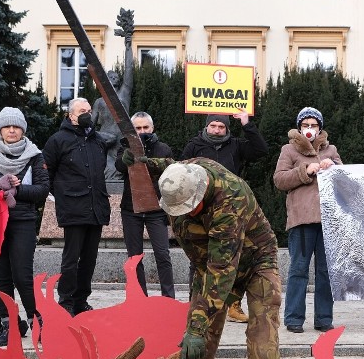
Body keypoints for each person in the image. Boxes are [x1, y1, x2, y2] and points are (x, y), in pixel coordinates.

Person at [144, 156, 281, 359]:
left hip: (255, 262)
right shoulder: (189, 171)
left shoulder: (229, 202)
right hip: (211, 264)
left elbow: (222, 271)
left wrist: (196, 326)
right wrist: (144, 162)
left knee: (261, 330)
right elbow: (171, 164)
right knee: (201, 334)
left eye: (189, 207)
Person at [0, 107, 50, 346]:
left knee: (23, 277)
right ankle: (9, 324)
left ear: (23, 129)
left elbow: (43, 189)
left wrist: (17, 190)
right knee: (2, 278)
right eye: (7, 126)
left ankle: (36, 323)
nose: (12, 130)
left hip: (22, 223)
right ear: (0, 129)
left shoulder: (35, 156)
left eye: (16, 126)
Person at [182, 111, 269, 324]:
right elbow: (182, 173)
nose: (217, 130)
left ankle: (233, 304)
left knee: (235, 255)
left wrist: (247, 124)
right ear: (206, 127)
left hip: (231, 210)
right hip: (201, 210)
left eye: (221, 127)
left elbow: (261, 150)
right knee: (200, 256)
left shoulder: (237, 145)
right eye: (213, 126)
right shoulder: (194, 146)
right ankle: (195, 302)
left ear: (227, 129)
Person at [273, 107, 340, 333]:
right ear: (299, 127)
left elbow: (345, 180)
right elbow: (280, 179)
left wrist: (335, 168)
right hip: (301, 220)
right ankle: (293, 319)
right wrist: (305, 170)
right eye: (305, 125)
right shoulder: (289, 150)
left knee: (325, 272)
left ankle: (323, 319)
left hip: (328, 221)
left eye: (313, 125)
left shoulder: (331, 149)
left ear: (320, 127)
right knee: (298, 270)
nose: (309, 129)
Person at [43, 98, 110, 316]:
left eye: (89, 111)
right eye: (82, 111)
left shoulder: (97, 140)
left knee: (89, 259)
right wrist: (61, 196)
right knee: (71, 259)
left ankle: (81, 300)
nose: (87, 114)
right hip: (73, 207)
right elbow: (47, 175)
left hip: (96, 207)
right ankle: (66, 301)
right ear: (71, 115)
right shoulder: (57, 140)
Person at [116, 111, 175, 298]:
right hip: (130, 209)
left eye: (145, 127)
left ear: (152, 128)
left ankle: (168, 299)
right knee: (134, 257)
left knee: (163, 255)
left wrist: (152, 163)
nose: (142, 131)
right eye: (138, 128)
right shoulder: (125, 147)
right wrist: (125, 159)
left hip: (156, 210)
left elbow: (171, 170)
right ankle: (139, 298)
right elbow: (118, 165)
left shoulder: (163, 148)